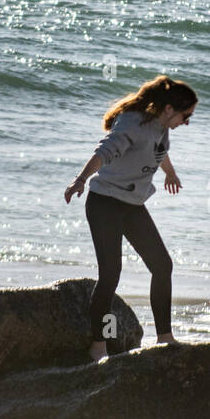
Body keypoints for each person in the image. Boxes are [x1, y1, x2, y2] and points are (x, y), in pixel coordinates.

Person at [64, 75, 198, 361]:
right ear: (170, 109)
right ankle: (98, 345)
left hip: (132, 205)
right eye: (186, 117)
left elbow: (158, 153)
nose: (186, 123)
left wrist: (170, 173)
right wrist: (80, 179)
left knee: (162, 265)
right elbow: (106, 150)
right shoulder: (132, 122)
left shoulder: (162, 128)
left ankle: (164, 338)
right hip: (105, 203)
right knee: (111, 274)